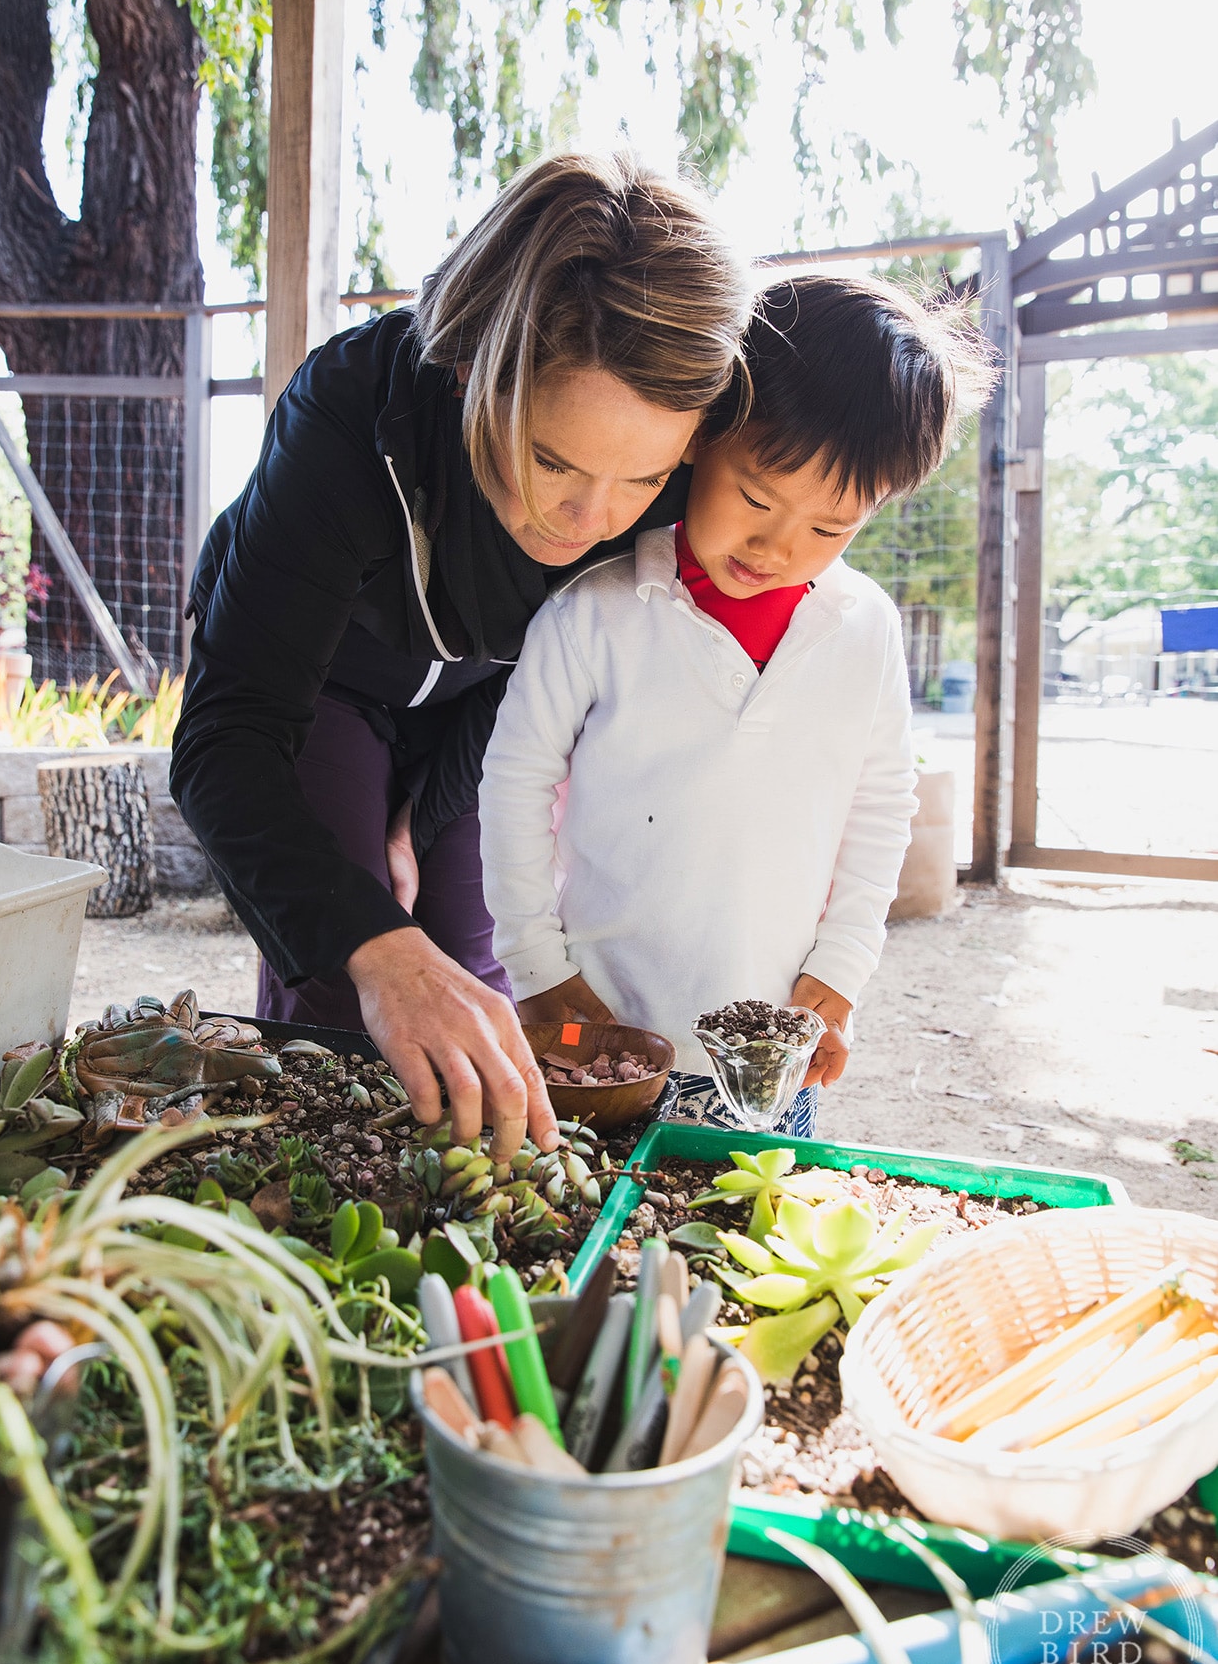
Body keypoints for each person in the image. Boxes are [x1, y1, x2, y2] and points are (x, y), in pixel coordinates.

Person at [170, 152, 754, 1160]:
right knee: (354, 983)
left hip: (485, 694)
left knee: (469, 951)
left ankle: (495, 1188)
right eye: (550, 459)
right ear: (464, 372)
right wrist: (379, 947)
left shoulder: (668, 473)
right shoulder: (349, 414)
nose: (590, 517)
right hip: (324, 681)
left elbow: (538, 676)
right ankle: (321, 1197)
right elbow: (227, 739)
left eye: (642, 478)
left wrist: (417, 815)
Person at [478, 275, 994, 1131]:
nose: (777, 545)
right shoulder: (594, 611)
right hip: (602, 1031)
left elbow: (879, 804)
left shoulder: (862, 628)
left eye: (829, 527)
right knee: (592, 1230)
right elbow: (513, 784)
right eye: (755, 497)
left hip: (770, 1050)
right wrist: (534, 966)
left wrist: (842, 966)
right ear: (699, 439)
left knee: (746, 1233)